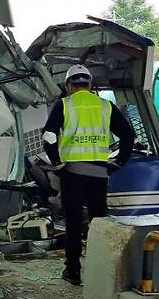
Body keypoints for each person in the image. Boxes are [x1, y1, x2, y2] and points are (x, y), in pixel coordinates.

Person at [42, 64, 135, 285]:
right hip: (99, 175)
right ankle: (100, 272)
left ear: (68, 85)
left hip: (72, 173)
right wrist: (118, 162)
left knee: (73, 224)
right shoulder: (105, 106)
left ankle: (73, 271)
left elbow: (48, 138)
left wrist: (57, 162)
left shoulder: (64, 105)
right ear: (90, 85)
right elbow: (128, 136)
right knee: (98, 222)